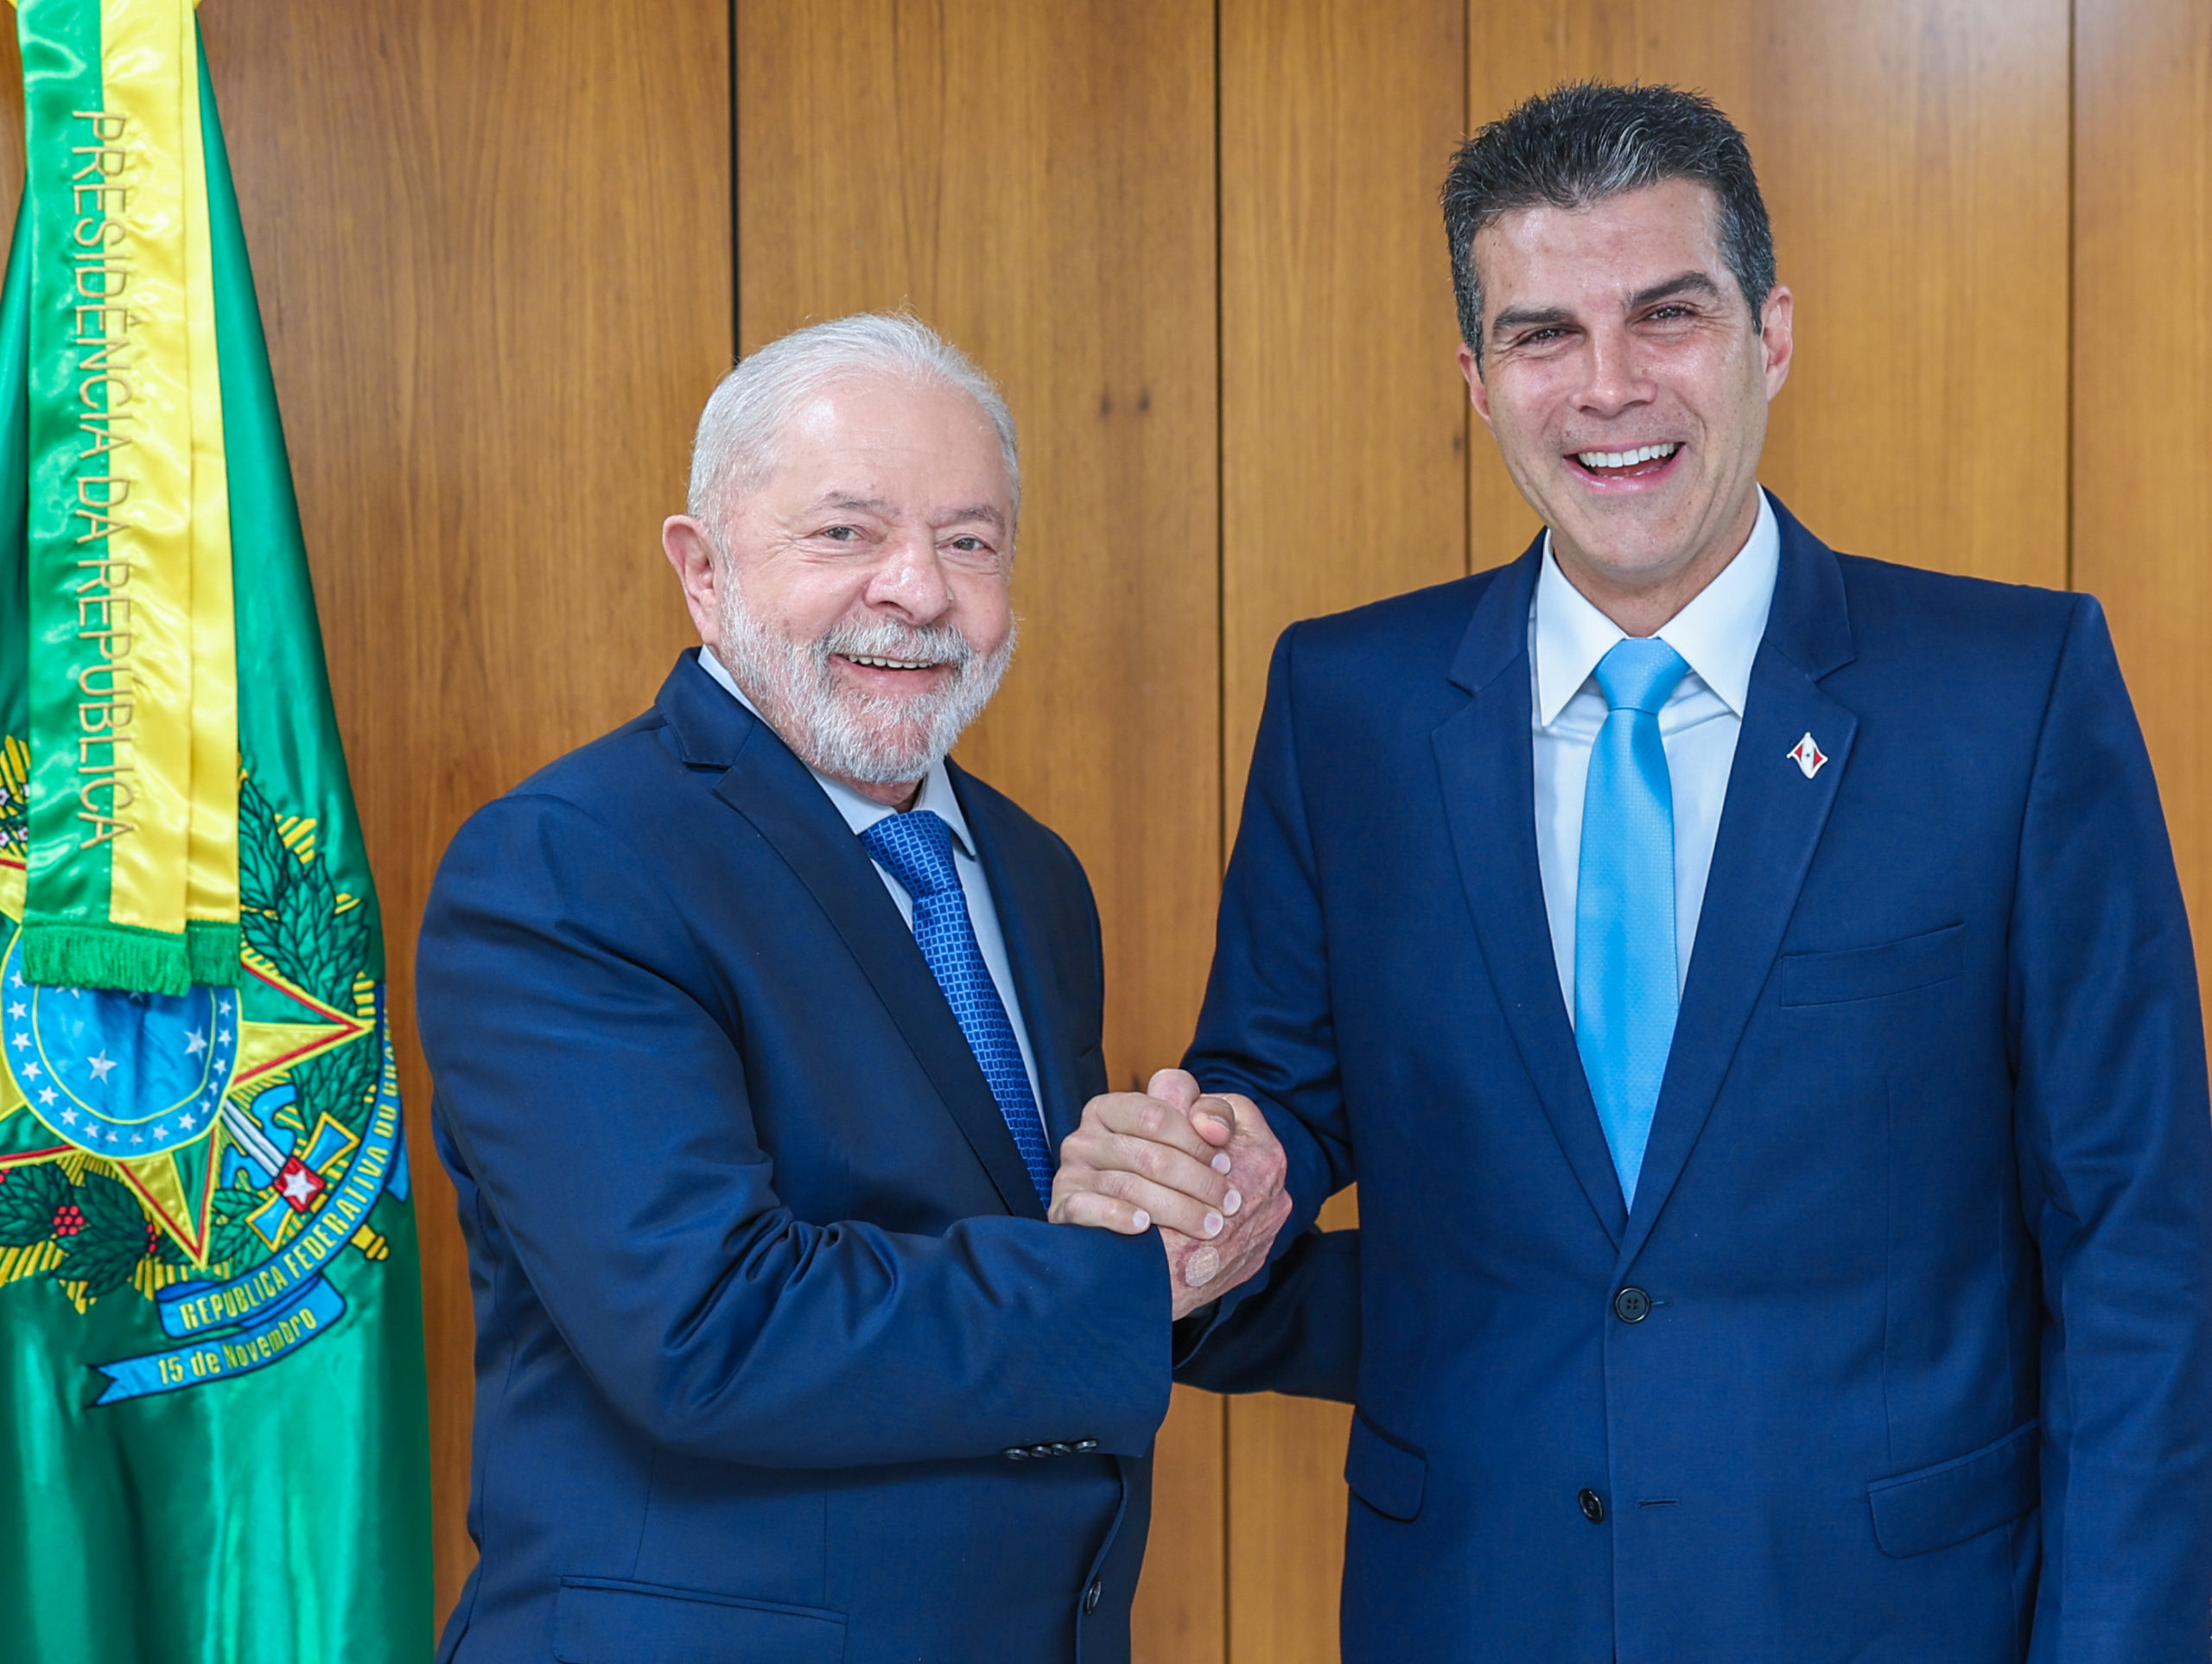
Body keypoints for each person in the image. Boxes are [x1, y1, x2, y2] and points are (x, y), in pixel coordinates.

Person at [1058, 82, 2212, 1660]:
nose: (1609, 387)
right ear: (1477, 379)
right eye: (1542, 334)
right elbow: (1283, 1093)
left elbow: (2139, 1242)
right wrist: (1207, 1169)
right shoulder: (1349, 705)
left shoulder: (2011, 693)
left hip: (1896, 1614)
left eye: (1667, 313)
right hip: (1470, 1607)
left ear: (1770, 335)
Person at [415, 314, 1287, 1663]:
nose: (919, 590)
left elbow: (1014, 1236)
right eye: (845, 534)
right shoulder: (567, 865)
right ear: (701, 571)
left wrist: (1196, 1206)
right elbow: (709, 1328)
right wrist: (1128, 1277)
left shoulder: (1032, 872)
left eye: (969, 540)